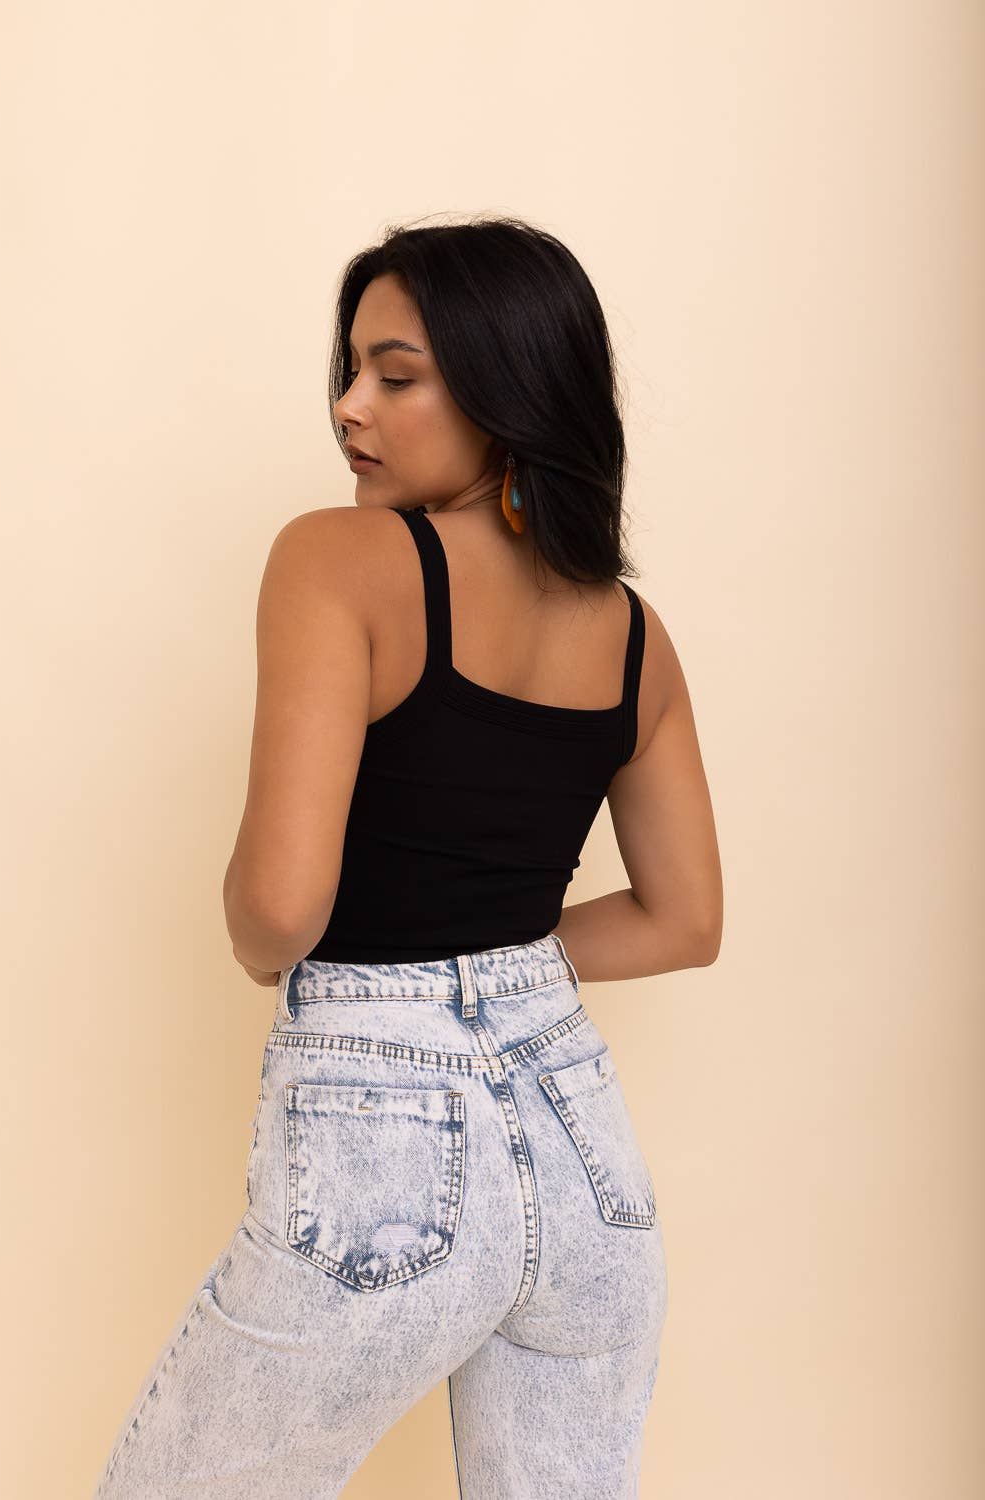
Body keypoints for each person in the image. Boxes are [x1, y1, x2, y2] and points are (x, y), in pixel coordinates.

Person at [93, 215, 723, 1499]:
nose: (348, 407)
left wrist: (266, 940)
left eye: (396, 375)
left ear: (506, 386)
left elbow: (280, 907)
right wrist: (498, 968)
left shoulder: (338, 558)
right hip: (587, 1165)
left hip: (386, 1145)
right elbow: (682, 921)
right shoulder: (632, 634)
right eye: (350, 371)